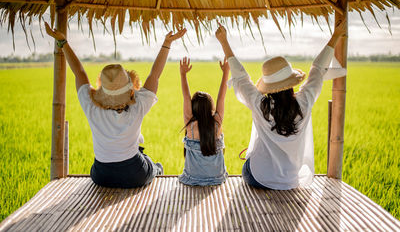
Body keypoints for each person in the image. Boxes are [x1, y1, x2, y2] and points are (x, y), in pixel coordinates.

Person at [45, 22, 186, 188]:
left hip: (101, 174)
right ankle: (156, 169)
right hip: (135, 174)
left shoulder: (92, 107)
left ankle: (153, 167)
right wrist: (166, 44)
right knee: (149, 163)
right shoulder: (138, 105)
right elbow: (154, 75)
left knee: (140, 158)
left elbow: (79, 72)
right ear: (129, 87)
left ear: (103, 91)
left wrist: (63, 42)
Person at [215, 21, 346, 190]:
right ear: (291, 82)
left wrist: (224, 41)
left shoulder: (260, 104)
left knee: (249, 161)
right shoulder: (304, 102)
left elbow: (240, 77)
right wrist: (335, 37)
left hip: (259, 178)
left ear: (269, 87)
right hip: (290, 181)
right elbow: (318, 69)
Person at [178, 56, 229, 186]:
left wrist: (183, 74)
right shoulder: (217, 123)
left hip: (192, 178)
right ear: (211, 107)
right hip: (217, 178)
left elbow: (185, 96)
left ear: (193, 108)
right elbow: (221, 98)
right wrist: (226, 73)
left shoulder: (190, 124)